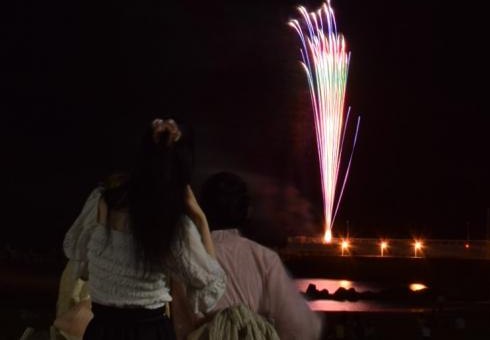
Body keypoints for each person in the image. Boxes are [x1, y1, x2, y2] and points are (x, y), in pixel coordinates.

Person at [62, 119, 226, 340]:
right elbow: (209, 287)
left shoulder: (103, 202)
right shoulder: (172, 223)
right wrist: (200, 218)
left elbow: (80, 260)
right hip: (150, 332)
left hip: (102, 329)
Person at [172, 172, 322, 340]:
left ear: (201, 210)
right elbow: (302, 328)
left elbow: (179, 326)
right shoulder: (265, 259)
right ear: (247, 212)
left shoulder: (187, 260)